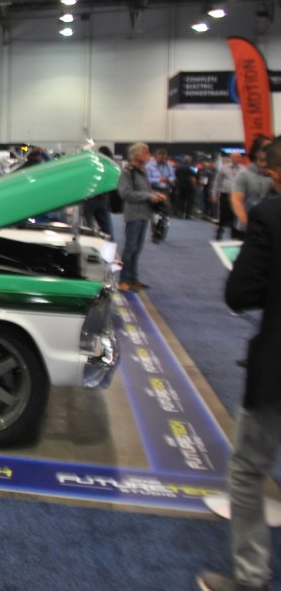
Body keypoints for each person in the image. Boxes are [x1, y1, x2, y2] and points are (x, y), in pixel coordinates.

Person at [196, 139, 281, 591]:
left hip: (277, 367)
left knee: (248, 469)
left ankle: (251, 578)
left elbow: (240, 293)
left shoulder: (270, 215)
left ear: (274, 173)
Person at [117, 142, 166, 292]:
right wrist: (149, 196)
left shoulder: (142, 171)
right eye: (145, 152)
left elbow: (144, 191)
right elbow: (125, 193)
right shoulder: (128, 172)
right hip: (134, 214)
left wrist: (154, 195)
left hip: (144, 213)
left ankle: (133, 278)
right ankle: (124, 280)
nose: (148, 155)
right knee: (130, 248)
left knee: (137, 249)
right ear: (136, 155)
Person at [231, 137, 274, 240]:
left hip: (269, 227)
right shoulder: (244, 174)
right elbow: (236, 201)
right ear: (256, 152)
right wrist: (248, 224)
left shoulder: (274, 174)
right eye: (266, 148)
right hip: (246, 228)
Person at [82, 146, 116, 239]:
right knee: (107, 230)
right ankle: (109, 245)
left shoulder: (94, 166)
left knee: (88, 229)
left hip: (91, 200)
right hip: (103, 200)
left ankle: (91, 244)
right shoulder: (111, 167)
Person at [214, 151, 244, 240]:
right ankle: (220, 231)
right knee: (223, 215)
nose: (237, 159)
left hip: (237, 196)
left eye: (239, 157)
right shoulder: (223, 168)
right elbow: (217, 182)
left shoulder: (243, 170)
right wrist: (214, 194)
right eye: (235, 157)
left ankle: (234, 235)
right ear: (231, 158)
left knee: (235, 216)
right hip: (225, 195)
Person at [145, 148, 175, 214]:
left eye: (164, 157)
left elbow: (173, 177)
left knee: (167, 208)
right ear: (156, 156)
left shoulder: (168, 165)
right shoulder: (149, 166)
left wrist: (168, 179)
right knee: (153, 208)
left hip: (165, 190)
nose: (162, 159)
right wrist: (158, 180)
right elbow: (146, 179)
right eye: (160, 157)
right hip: (154, 189)